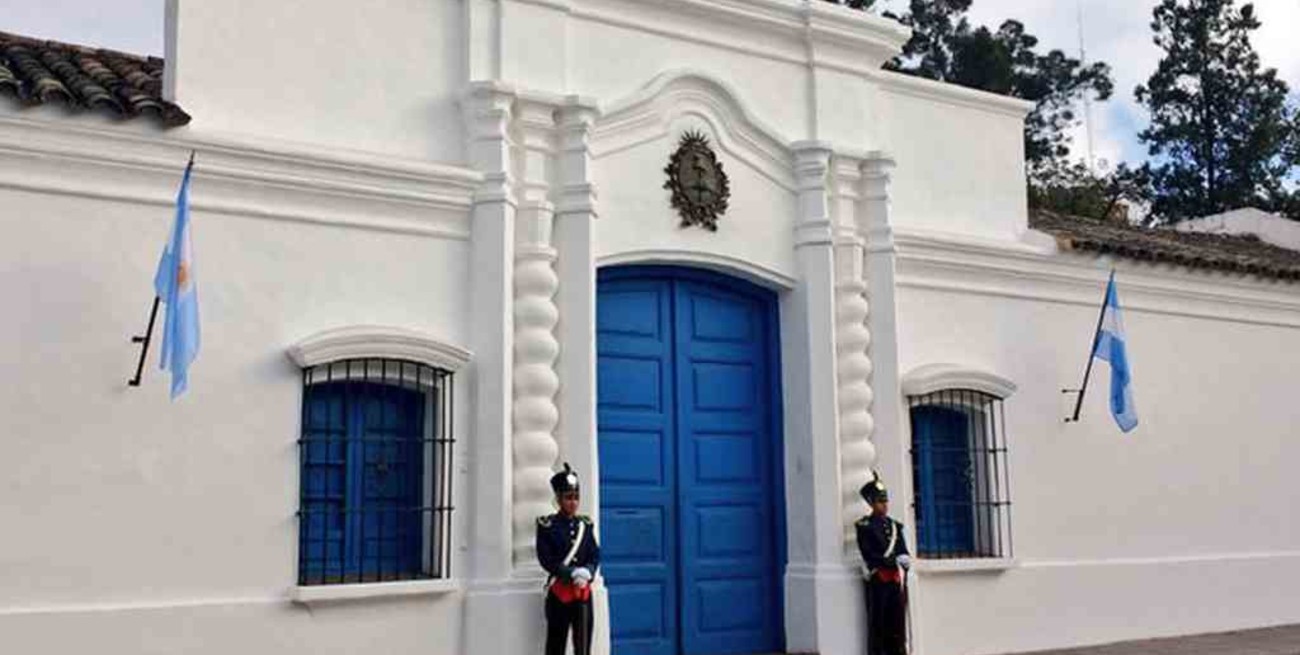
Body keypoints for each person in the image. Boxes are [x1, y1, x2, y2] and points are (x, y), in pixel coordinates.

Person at [536, 462, 601, 655]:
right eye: (568, 498)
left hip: (583, 593)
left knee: (583, 645)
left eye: (576, 498)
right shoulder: (547, 525)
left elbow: (594, 553)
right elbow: (546, 558)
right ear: (558, 499)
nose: (573, 502)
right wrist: (571, 573)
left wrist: (588, 571)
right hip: (560, 593)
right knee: (556, 645)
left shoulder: (585, 525)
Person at [856, 471, 911, 655]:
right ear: (872, 503)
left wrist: (905, 559)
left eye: (885, 501)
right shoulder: (865, 526)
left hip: (894, 580)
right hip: (879, 580)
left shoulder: (895, 526)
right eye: (880, 501)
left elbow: (902, 549)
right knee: (878, 622)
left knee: (897, 622)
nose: (884, 505)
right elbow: (869, 554)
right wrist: (888, 561)